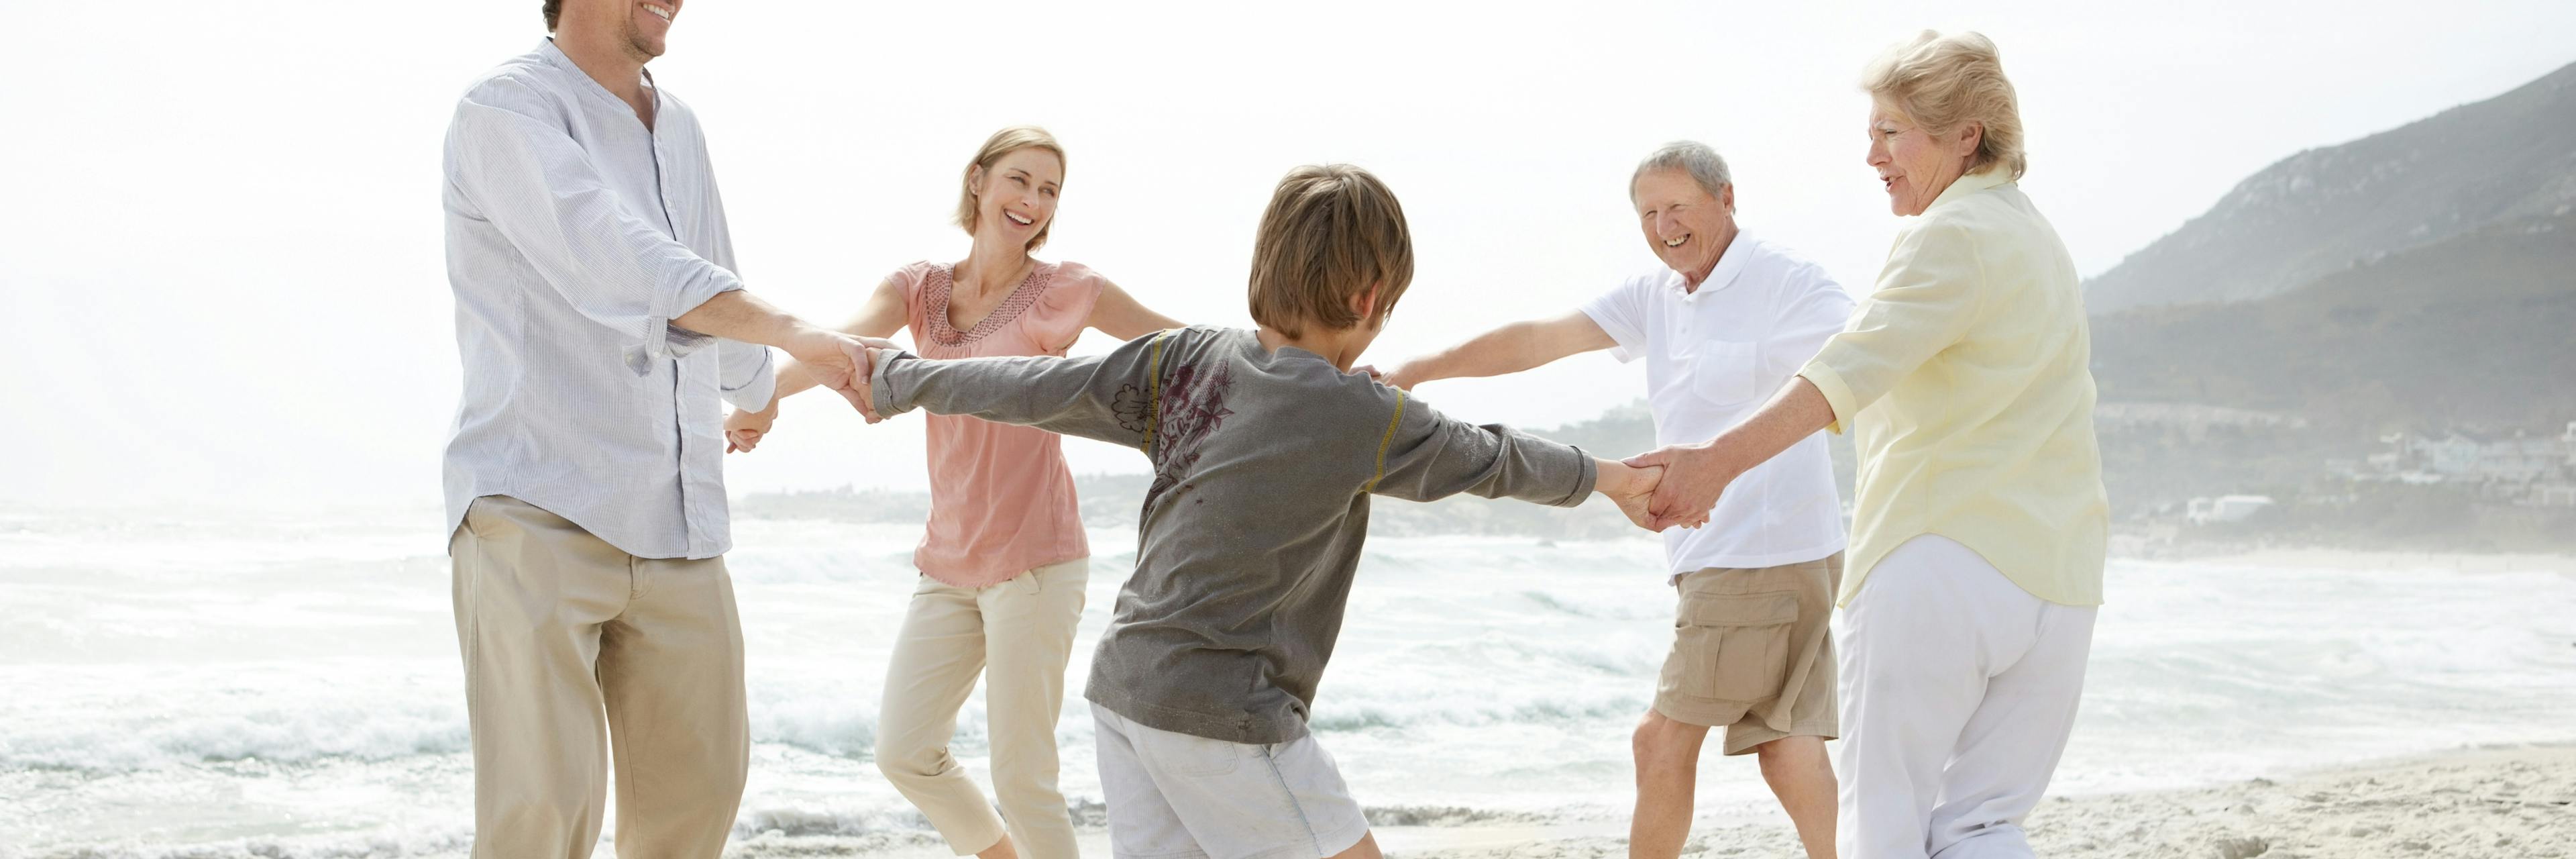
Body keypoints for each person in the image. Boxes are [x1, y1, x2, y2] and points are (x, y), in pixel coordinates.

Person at [851, 164, 1664, 859]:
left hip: (1123, 691)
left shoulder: (1184, 359)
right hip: (1224, 710)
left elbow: (1025, 387)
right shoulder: (1362, 413)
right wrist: (1617, 479)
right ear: (1369, 294)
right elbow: (1498, 457)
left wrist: (899, 378)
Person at [1621, 31, 2108, 859]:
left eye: (1892, 131)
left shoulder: (1948, 235)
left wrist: (1713, 463)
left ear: (1967, 136)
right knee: (1983, 825)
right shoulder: (2037, 237)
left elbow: (1846, 371)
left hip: (1941, 561)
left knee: (1884, 826)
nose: (1873, 153)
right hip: (2060, 580)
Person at [438, 0, 883, 855]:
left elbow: (712, 264)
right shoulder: (507, 109)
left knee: (699, 798)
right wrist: (790, 332)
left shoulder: (677, 123)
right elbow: (623, 259)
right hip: (537, 501)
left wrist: (760, 387)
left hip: (678, 515)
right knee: (544, 810)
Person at [1376, 141, 1853, 859]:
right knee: (1786, 741)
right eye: (1649, 212)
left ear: (1727, 198)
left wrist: (1724, 466)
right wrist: (1422, 367)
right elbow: (1541, 339)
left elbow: (1857, 366)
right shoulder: (1656, 296)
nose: (1664, 226)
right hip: (1756, 553)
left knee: (1659, 739)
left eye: (1678, 207)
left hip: (1757, 551)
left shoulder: (1790, 283)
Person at [724, 126, 1183, 859]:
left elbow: (1183, 346)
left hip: (1036, 562)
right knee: (904, 748)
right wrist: (764, 399)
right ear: (978, 180)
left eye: (1049, 190)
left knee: (1023, 775)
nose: (1033, 200)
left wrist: (1297, 370)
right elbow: (837, 343)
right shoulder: (921, 287)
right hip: (949, 560)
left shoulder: (1069, 289)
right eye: (1020, 180)